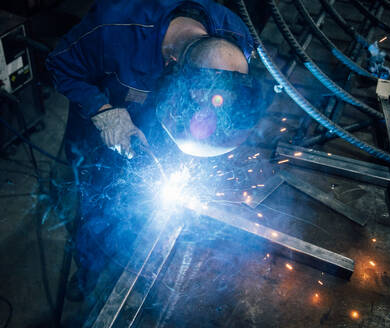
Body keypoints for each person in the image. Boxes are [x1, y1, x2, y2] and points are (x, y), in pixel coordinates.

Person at [46, 0, 262, 301]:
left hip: (167, 125)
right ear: (170, 64)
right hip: (107, 123)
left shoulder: (235, 37)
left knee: (150, 200)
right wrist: (102, 110)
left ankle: (142, 262)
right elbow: (59, 64)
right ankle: (88, 273)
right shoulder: (114, 29)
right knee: (98, 204)